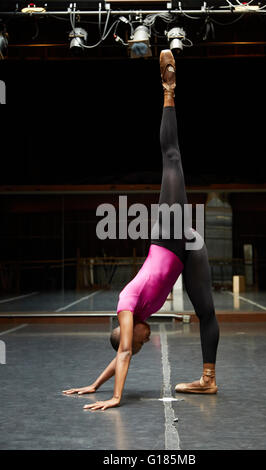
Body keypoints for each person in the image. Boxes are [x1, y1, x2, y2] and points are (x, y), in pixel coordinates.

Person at [62, 50, 220, 411]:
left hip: (167, 236)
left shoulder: (126, 308)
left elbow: (126, 352)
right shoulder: (136, 320)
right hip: (186, 251)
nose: (147, 341)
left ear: (128, 331)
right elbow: (122, 352)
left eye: (139, 339)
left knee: (172, 158)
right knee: (207, 311)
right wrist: (93, 385)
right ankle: (208, 380)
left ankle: (168, 88)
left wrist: (116, 397)